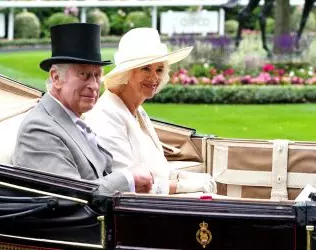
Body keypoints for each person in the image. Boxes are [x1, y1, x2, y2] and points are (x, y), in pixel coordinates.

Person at [13, 23, 153, 194]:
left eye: (97, 75)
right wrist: (128, 179)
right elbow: (71, 195)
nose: (94, 85)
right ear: (56, 78)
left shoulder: (73, 119)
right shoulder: (39, 129)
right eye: (84, 75)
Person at [85, 28, 217, 195]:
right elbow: (130, 187)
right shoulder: (106, 116)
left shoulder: (138, 111)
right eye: (146, 68)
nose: (154, 77)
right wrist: (186, 186)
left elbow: (158, 170)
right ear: (127, 73)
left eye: (159, 69)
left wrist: (188, 177)